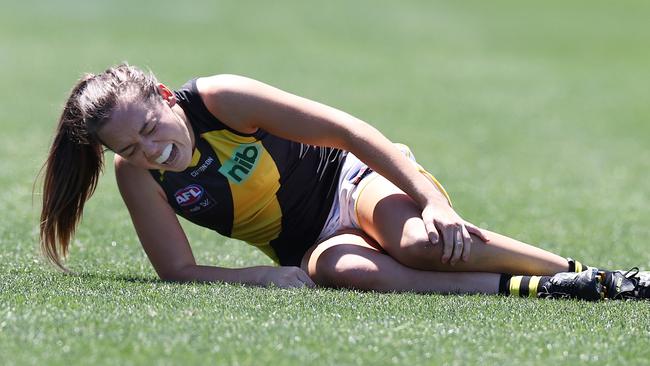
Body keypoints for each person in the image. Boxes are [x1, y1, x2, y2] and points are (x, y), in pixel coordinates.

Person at [39, 63, 649, 301]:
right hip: (307, 243)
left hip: (353, 183)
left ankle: (587, 273)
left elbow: (350, 132)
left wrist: (434, 201)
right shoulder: (137, 176)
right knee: (348, 273)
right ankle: (544, 290)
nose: (151, 150)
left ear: (166, 97)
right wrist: (261, 275)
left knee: (417, 243)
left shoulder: (223, 99)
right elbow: (178, 271)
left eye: (150, 127)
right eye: (131, 147)